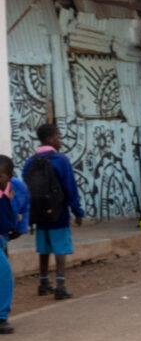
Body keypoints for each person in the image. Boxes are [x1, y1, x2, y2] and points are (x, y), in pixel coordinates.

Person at [23, 123, 84, 300]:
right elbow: (70, 187)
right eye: (58, 137)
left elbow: (26, 189)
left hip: (39, 214)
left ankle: (43, 283)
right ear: (49, 138)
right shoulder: (61, 160)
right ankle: (60, 285)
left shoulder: (31, 161)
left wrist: (28, 214)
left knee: (43, 249)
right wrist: (77, 211)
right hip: (58, 212)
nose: (60, 141)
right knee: (60, 249)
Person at [0, 155, 31, 333]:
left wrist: (21, 227)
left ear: (10, 176)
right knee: (4, 273)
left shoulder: (18, 188)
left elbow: (25, 206)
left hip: (5, 235)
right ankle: (2, 317)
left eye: (0, 176)